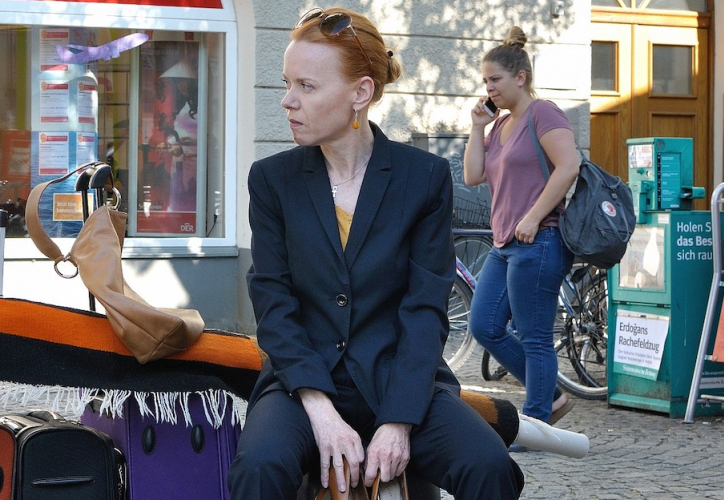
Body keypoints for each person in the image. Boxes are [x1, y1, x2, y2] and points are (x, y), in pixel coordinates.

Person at [229, 8, 522, 500]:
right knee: (259, 467)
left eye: (306, 86)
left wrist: (399, 421)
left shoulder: (422, 178)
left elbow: (426, 308)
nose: (287, 101)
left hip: (400, 380)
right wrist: (319, 411)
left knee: (489, 465)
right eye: (287, 84)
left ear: (360, 93)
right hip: (305, 382)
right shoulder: (272, 180)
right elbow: (273, 304)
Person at [462, 26, 579, 428]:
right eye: (485, 81)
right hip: (505, 242)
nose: (489, 88)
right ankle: (551, 396)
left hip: (539, 238)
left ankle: (536, 423)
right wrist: (477, 126)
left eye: (495, 79)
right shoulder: (499, 126)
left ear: (520, 77)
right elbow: (474, 175)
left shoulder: (543, 113)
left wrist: (533, 215)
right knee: (484, 325)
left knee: (534, 336)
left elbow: (569, 165)